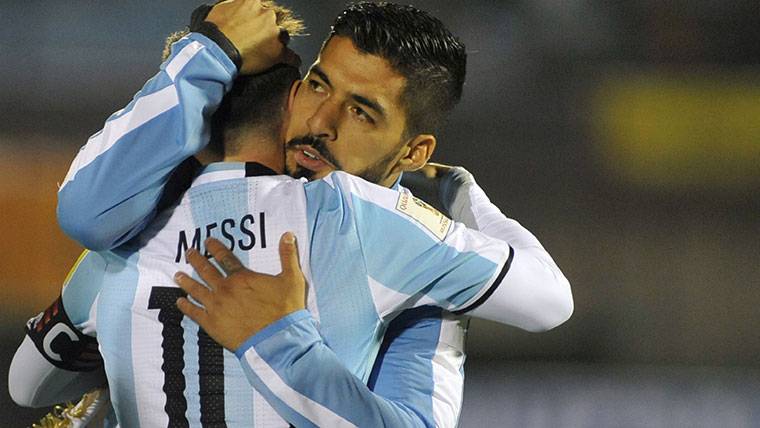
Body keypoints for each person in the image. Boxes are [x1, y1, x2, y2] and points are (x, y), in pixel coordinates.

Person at [11, 1, 573, 426]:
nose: (322, 122)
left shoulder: (119, 243)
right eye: (318, 85)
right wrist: (458, 194)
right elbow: (551, 300)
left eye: (361, 112)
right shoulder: (369, 221)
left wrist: (121, 372)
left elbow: (26, 384)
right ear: (289, 94)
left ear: (413, 151)